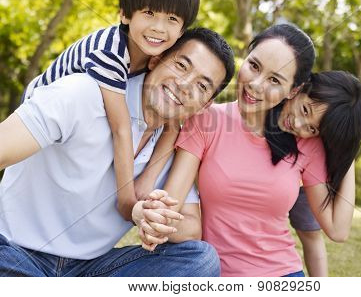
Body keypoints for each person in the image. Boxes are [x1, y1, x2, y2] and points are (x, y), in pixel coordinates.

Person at [0, 28, 235, 277]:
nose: (185, 85)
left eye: (202, 85)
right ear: (156, 60)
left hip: (89, 271)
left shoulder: (169, 145)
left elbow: (191, 227)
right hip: (16, 252)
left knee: (201, 261)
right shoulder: (83, 94)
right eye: (181, 65)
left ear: (205, 105)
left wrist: (154, 219)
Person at [143, 24, 361, 277]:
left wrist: (345, 151)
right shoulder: (206, 120)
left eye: (274, 80)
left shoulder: (308, 143)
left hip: (283, 275)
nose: (256, 85)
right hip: (213, 273)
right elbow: (171, 204)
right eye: (254, 66)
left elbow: (338, 230)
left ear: (294, 89)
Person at [22, 0, 199, 221]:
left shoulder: (150, 59)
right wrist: (127, 202)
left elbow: (173, 124)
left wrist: (148, 177)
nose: (159, 28)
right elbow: (121, 128)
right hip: (40, 122)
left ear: (182, 29)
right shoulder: (111, 52)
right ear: (125, 14)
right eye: (149, 13)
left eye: (172, 19)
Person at [279, 71, 361, 276]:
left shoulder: (312, 148)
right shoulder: (273, 98)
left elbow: (339, 231)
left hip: (304, 182)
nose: (298, 124)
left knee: (310, 235)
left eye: (311, 129)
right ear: (300, 88)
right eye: (304, 110)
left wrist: (348, 156)